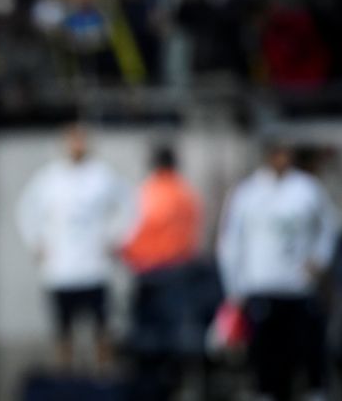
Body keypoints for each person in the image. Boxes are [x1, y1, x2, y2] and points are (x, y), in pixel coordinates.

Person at [217, 141, 340, 401]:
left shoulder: (307, 189)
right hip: (261, 286)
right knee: (267, 360)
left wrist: (319, 259)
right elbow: (230, 243)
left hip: (298, 287)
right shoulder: (247, 192)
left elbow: (329, 229)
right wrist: (234, 290)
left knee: (306, 354)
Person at [16, 124, 130, 374]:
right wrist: (36, 243)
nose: (76, 146)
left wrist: (115, 239)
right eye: (72, 141)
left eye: (81, 140)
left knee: (101, 330)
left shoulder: (102, 176)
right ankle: (66, 382)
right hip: (61, 271)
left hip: (93, 270)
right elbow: (26, 210)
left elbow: (129, 207)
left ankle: (103, 379)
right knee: (63, 333)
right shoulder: (49, 178)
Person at [119, 145, 207, 401]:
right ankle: (177, 388)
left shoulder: (148, 192)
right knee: (177, 341)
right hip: (182, 272)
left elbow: (133, 233)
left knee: (148, 343)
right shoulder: (187, 194)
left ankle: (151, 391)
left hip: (152, 276)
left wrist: (126, 253)